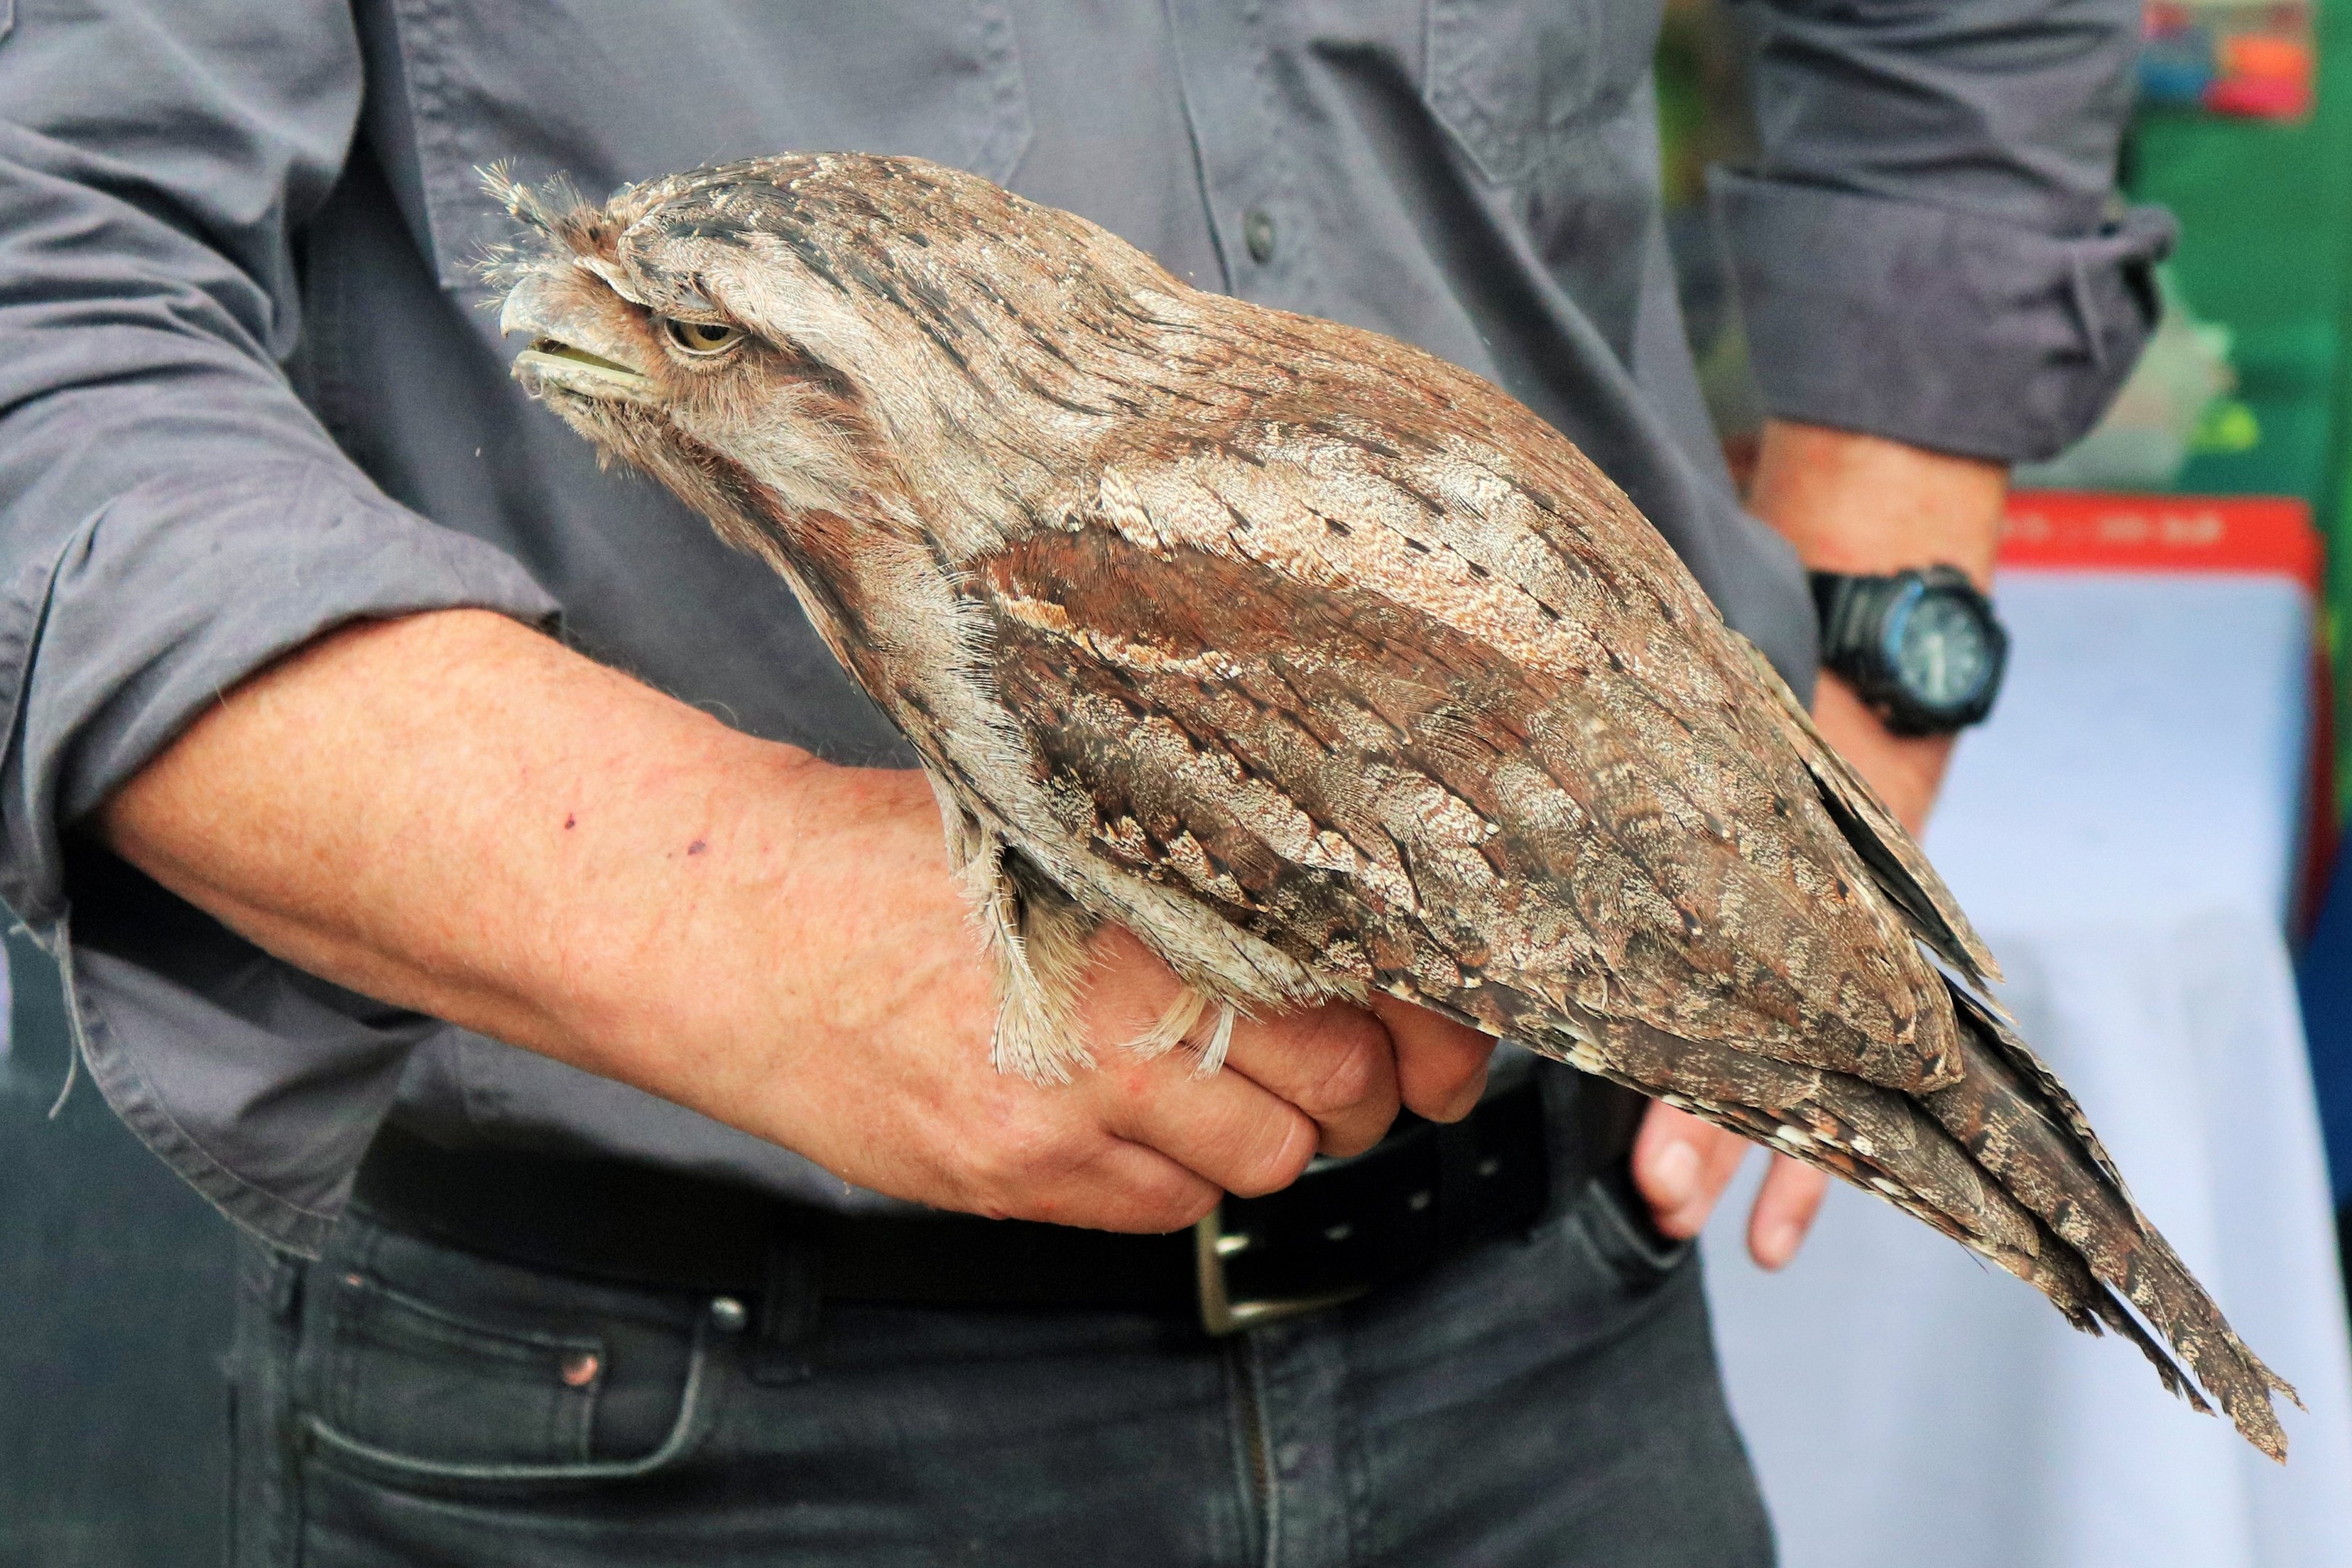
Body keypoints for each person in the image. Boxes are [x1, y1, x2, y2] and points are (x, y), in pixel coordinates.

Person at [0, 3, 2161, 1563]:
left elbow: (1958, 40)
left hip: (1545, 1309)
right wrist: (724, 907)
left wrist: (1872, 635)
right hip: (658, 1405)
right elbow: (40, 315)